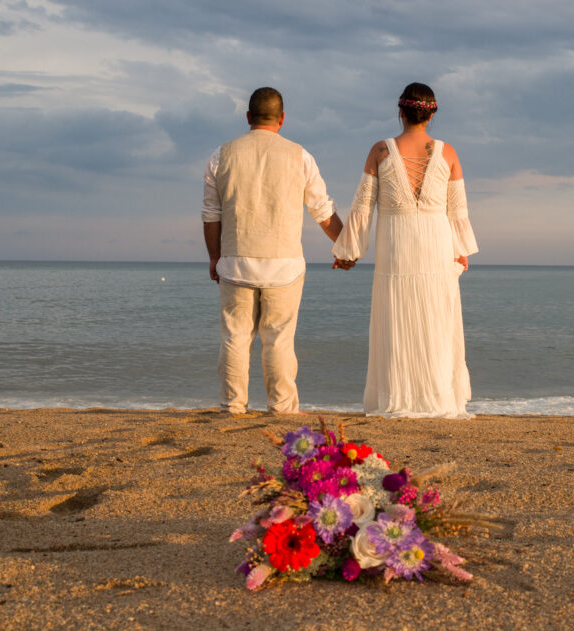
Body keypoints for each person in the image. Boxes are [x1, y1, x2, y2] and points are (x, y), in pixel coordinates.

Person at [332, 82, 479, 418]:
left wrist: (348, 250)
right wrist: (461, 250)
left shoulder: (380, 150)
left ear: (400, 112)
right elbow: (458, 211)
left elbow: (362, 207)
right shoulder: (449, 152)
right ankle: (437, 397)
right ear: (432, 114)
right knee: (437, 321)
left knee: (395, 318)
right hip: (436, 244)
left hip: (396, 245)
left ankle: (398, 397)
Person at [202, 87, 346, 414]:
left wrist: (214, 257)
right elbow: (322, 210)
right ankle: (281, 409)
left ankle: (232, 406)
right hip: (284, 266)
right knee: (279, 340)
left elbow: (211, 214)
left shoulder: (220, 155)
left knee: (235, 337)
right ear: (282, 119)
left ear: (248, 117)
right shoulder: (300, 156)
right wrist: (345, 247)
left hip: (235, 262)